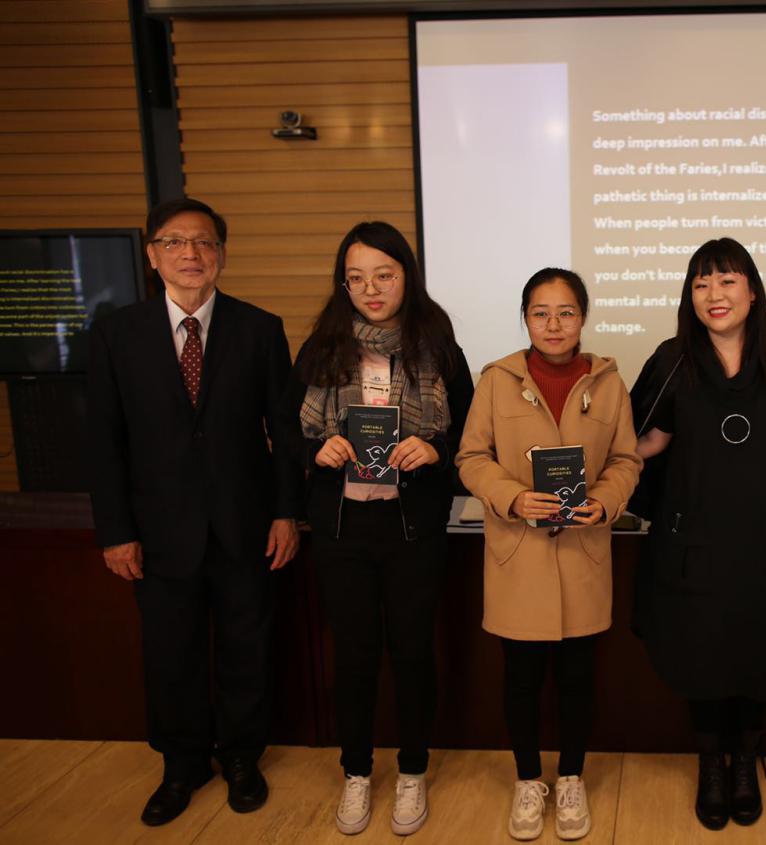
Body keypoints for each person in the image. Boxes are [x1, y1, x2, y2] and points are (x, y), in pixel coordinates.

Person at [87, 197, 303, 826]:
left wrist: (286, 513)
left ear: (222, 256)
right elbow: (104, 442)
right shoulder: (116, 334)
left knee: (246, 649)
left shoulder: (259, 328)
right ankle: (181, 765)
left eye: (204, 242)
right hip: (157, 533)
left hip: (245, 526)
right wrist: (116, 531)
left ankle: (240, 759)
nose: (190, 254)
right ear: (152, 256)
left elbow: (285, 432)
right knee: (170, 655)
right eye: (174, 242)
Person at [630, 237, 766, 831]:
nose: (714, 294)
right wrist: (585, 459)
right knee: (702, 656)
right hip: (694, 542)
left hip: (764, 540)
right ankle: (711, 765)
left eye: (727, 281)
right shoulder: (671, 359)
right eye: (701, 283)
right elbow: (650, 439)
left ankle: (745, 763)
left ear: (752, 291)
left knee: (758, 652)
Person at [289, 221, 473, 836]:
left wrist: (436, 450)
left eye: (384, 275)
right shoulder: (320, 348)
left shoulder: (438, 345)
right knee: (355, 655)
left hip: (412, 527)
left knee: (414, 652)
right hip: (342, 528)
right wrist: (316, 451)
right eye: (357, 278)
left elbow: (471, 433)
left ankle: (413, 769)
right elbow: (288, 433)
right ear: (343, 284)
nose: (371, 289)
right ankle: (357, 771)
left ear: (406, 277)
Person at [456, 268, 642, 842]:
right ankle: (527, 780)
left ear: (582, 317)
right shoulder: (496, 380)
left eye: (565, 312)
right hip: (520, 555)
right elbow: (470, 458)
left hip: (583, 553)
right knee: (521, 679)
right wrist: (513, 497)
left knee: (578, 679)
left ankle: (571, 778)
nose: (553, 324)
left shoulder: (608, 382)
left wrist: (605, 501)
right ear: (525, 319)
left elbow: (626, 460)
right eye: (540, 313)